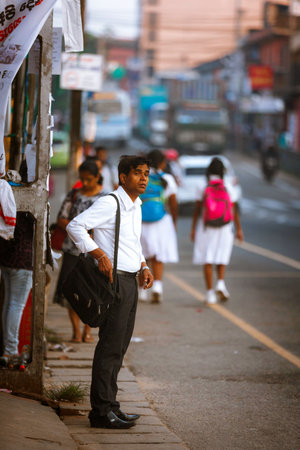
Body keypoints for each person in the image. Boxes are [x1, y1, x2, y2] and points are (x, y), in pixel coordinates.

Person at [66, 155, 153, 429]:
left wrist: (143, 265)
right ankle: (101, 412)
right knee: (109, 348)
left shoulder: (136, 206)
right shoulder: (109, 203)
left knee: (120, 347)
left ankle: (111, 405)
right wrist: (98, 253)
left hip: (130, 281)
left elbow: (132, 241)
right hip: (113, 282)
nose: (143, 178)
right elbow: (74, 226)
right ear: (123, 177)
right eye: (138, 173)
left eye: (146, 174)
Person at [53, 160, 105, 343]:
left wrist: (79, 228)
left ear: (97, 177)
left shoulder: (104, 199)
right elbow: (61, 218)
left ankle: (87, 330)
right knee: (71, 290)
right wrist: (79, 229)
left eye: (89, 179)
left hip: (93, 253)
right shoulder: (74, 194)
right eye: (82, 179)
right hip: (71, 251)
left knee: (92, 291)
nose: (85, 183)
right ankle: (75, 331)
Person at [190, 157, 243, 304]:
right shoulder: (228, 186)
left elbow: (197, 209)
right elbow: (233, 210)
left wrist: (193, 228)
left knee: (207, 258)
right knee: (221, 255)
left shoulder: (202, 185)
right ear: (223, 171)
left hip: (207, 227)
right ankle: (220, 283)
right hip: (225, 227)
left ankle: (209, 293)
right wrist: (239, 229)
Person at [139, 149, 179, 303]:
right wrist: (174, 222)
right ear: (163, 162)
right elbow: (173, 204)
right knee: (158, 256)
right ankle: (157, 288)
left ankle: (142, 291)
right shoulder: (167, 179)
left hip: (141, 221)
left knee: (141, 257)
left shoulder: (142, 177)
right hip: (161, 220)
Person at [0, 212, 34, 358]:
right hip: (23, 260)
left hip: (7, 258)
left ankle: (9, 348)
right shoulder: (28, 206)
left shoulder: (8, 200)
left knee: (9, 304)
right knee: (16, 306)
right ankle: (10, 350)